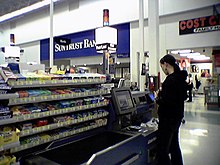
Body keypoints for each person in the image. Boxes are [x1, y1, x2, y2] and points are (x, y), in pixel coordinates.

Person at [154, 54, 187, 165]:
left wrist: (157, 98)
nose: (163, 70)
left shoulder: (170, 80)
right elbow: (181, 97)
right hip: (177, 117)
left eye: (162, 67)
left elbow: (167, 102)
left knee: (162, 150)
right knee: (174, 146)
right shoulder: (180, 78)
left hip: (168, 120)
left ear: (166, 65)